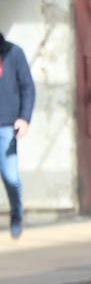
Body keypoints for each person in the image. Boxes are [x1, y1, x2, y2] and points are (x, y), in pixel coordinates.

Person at [0, 32, 34, 240]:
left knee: (11, 177)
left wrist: (25, 118)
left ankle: (17, 214)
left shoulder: (14, 53)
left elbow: (28, 88)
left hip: (7, 127)